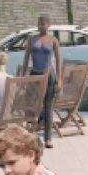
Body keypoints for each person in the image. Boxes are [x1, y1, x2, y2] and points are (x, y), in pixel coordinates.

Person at [23, 15, 63, 147]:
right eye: (39, 24)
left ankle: (48, 139)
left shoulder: (53, 40)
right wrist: (23, 76)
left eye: (44, 24)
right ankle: (30, 134)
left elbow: (58, 61)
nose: (41, 26)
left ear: (49, 25)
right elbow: (26, 58)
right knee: (30, 104)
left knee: (48, 105)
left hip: (48, 76)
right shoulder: (32, 39)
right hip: (34, 74)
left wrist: (59, 79)